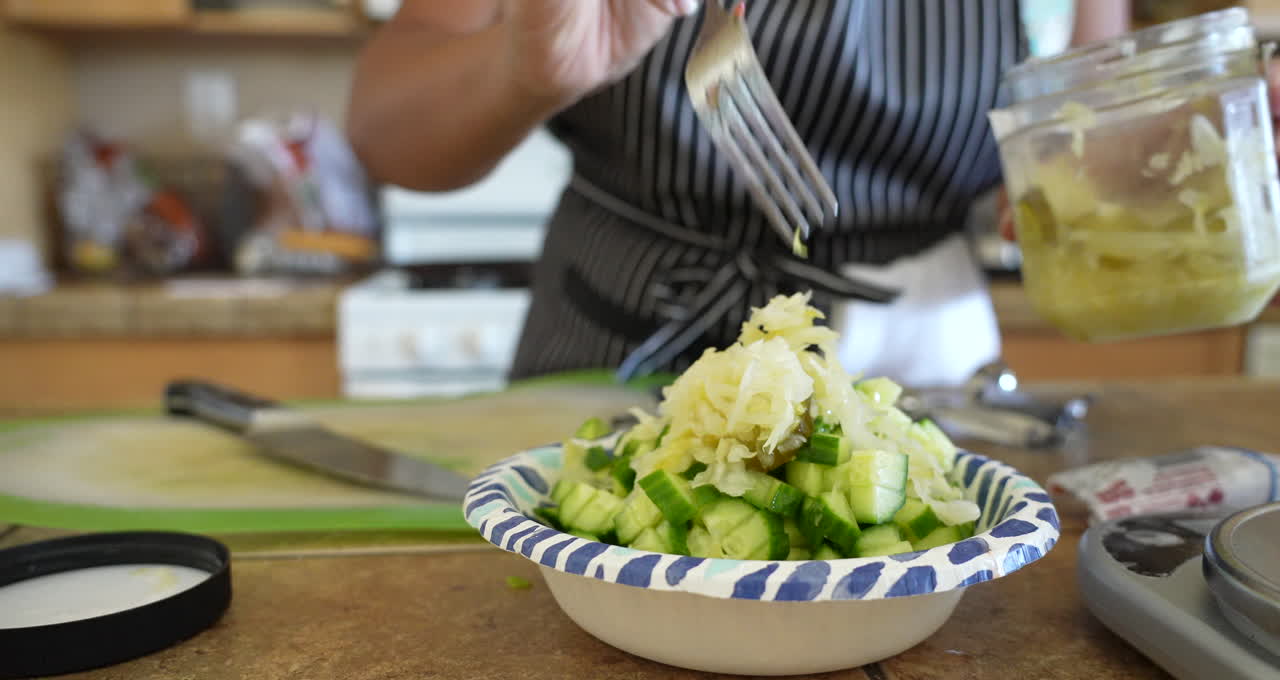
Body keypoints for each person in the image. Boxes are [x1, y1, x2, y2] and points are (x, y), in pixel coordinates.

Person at [347, 0, 1131, 387]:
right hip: (615, 351)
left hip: (920, 370)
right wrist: (518, 72)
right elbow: (385, 132)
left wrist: (1203, 140)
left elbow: (1097, 147)